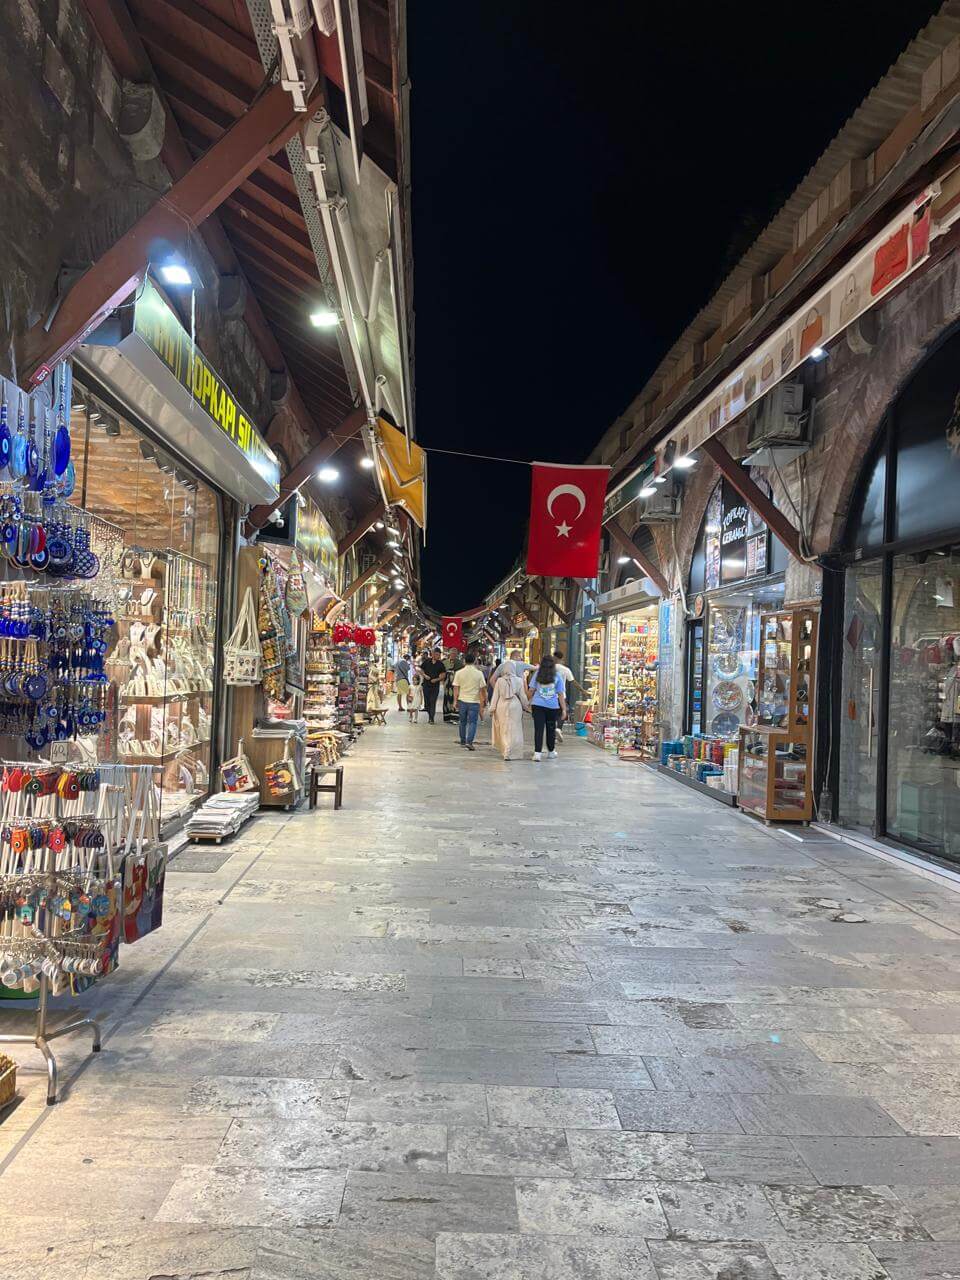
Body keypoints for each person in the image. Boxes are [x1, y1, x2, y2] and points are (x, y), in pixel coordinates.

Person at [525, 653, 566, 762]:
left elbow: (531, 690)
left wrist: (527, 702)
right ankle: (551, 752)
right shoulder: (557, 676)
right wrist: (564, 709)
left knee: (538, 729)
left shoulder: (537, 674)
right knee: (551, 729)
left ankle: (537, 753)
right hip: (552, 707)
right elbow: (561, 694)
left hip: (537, 705)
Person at [488, 659, 528, 760]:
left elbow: (495, 696)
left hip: (502, 705)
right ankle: (512, 749)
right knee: (515, 728)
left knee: (504, 728)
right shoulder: (519, 680)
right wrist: (527, 707)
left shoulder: (499, 681)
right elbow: (523, 697)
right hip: (515, 705)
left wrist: (492, 709)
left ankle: (506, 749)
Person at [452, 651, 487, 751]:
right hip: (474, 702)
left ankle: (463, 741)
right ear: (475, 661)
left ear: (464, 661)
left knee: (462, 722)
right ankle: (469, 742)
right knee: (473, 722)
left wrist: (455, 701)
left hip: (462, 701)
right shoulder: (479, 673)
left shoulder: (459, 673)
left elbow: (456, 688)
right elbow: (483, 688)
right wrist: (485, 699)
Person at [551, 649, 585, 743]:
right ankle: (558, 729)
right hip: (561, 695)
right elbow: (573, 682)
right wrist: (582, 691)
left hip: (549, 696)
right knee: (563, 712)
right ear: (561, 658)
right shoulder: (565, 669)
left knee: (552, 715)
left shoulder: (549, 667)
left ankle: (553, 735)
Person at [419, 647, 446, 724]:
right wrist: (424, 675)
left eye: (439, 655)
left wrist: (437, 679)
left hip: (435, 686)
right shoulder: (427, 662)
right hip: (426, 685)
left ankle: (431, 718)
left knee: (433, 701)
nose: (438, 656)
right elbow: (420, 670)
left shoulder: (440, 664)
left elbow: (443, 675)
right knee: (427, 703)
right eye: (437, 654)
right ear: (433, 654)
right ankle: (429, 712)